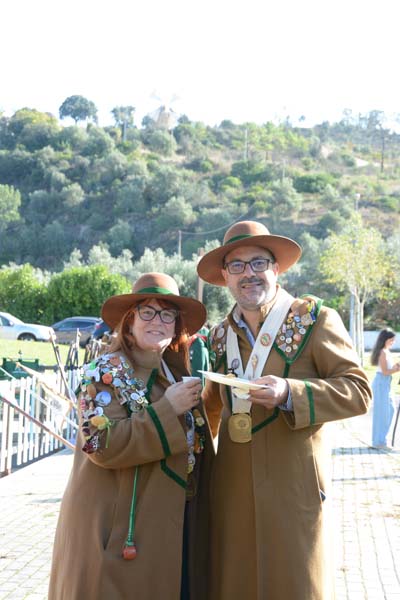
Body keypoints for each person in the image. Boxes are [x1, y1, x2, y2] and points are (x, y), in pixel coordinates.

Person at [197, 220, 372, 600]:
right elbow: (209, 411)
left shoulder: (314, 319)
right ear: (225, 276)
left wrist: (290, 392)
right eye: (237, 265)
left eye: (258, 263)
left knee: (296, 586)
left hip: (294, 489)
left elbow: (359, 391)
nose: (249, 274)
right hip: (232, 491)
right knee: (235, 586)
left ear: (276, 268)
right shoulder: (219, 336)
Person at [49, 273, 213, 600]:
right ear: (129, 323)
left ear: (176, 327)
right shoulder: (102, 372)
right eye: (147, 312)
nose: (157, 321)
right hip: (117, 531)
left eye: (167, 314)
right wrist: (167, 409)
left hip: (170, 527)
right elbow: (100, 445)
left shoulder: (176, 374)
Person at [370, 328, 400, 448]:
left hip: (386, 383)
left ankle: (380, 440)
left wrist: (396, 367)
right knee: (382, 413)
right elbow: (385, 371)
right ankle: (379, 442)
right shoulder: (382, 352)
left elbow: (388, 369)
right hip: (381, 382)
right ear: (385, 339)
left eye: (393, 340)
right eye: (391, 340)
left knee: (390, 410)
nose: (393, 342)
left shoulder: (386, 351)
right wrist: (396, 369)